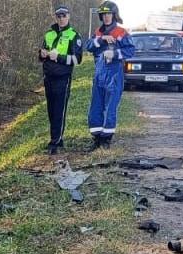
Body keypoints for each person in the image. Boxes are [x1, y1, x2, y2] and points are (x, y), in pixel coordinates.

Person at [86, 2, 134, 150]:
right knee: (96, 107)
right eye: (104, 14)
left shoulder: (121, 32)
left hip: (114, 75)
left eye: (109, 14)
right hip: (99, 74)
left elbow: (131, 51)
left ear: (114, 14)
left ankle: (106, 140)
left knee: (110, 108)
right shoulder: (98, 32)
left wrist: (114, 54)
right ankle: (97, 137)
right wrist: (101, 40)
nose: (106, 17)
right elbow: (88, 46)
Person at [40, 5, 84, 154]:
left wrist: (58, 57)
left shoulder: (74, 35)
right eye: (58, 16)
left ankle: (55, 142)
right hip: (48, 77)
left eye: (64, 16)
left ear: (69, 16)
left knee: (59, 110)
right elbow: (41, 54)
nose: (61, 18)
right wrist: (42, 53)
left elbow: (77, 59)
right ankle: (57, 137)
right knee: (51, 110)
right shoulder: (49, 34)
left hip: (62, 78)